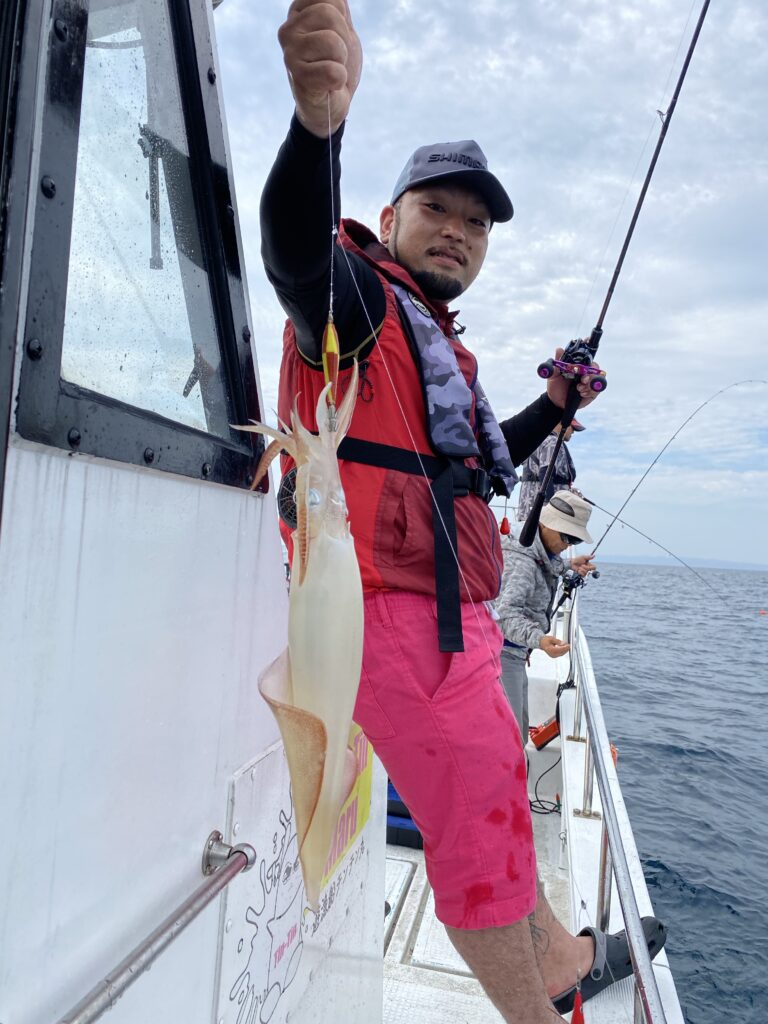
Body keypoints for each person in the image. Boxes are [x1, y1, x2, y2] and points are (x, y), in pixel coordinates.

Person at [261, 3, 666, 1019]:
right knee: (478, 841)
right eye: (437, 207)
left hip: (457, 623)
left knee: (502, 803)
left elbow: (471, 473)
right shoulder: (357, 301)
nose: (458, 230)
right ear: (390, 214)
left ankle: (559, 956)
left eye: (477, 222)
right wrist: (317, 130)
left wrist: (555, 405)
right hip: (391, 620)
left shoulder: (436, 339)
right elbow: (294, 255)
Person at [497, 491, 596, 741]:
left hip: (517, 653)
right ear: (547, 524)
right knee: (510, 739)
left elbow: (543, 560)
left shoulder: (535, 544)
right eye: (566, 536)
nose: (568, 545)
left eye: (575, 539)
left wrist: (567, 566)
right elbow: (505, 616)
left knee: (519, 730)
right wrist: (540, 640)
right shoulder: (521, 561)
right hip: (502, 654)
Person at [517, 419, 584, 523]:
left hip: (527, 508)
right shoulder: (552, 442)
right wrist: (552, 508)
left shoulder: (535, 441)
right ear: (561, 423)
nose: (573, 432)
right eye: (572, 428)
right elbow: (546, 474)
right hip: (544, 512)